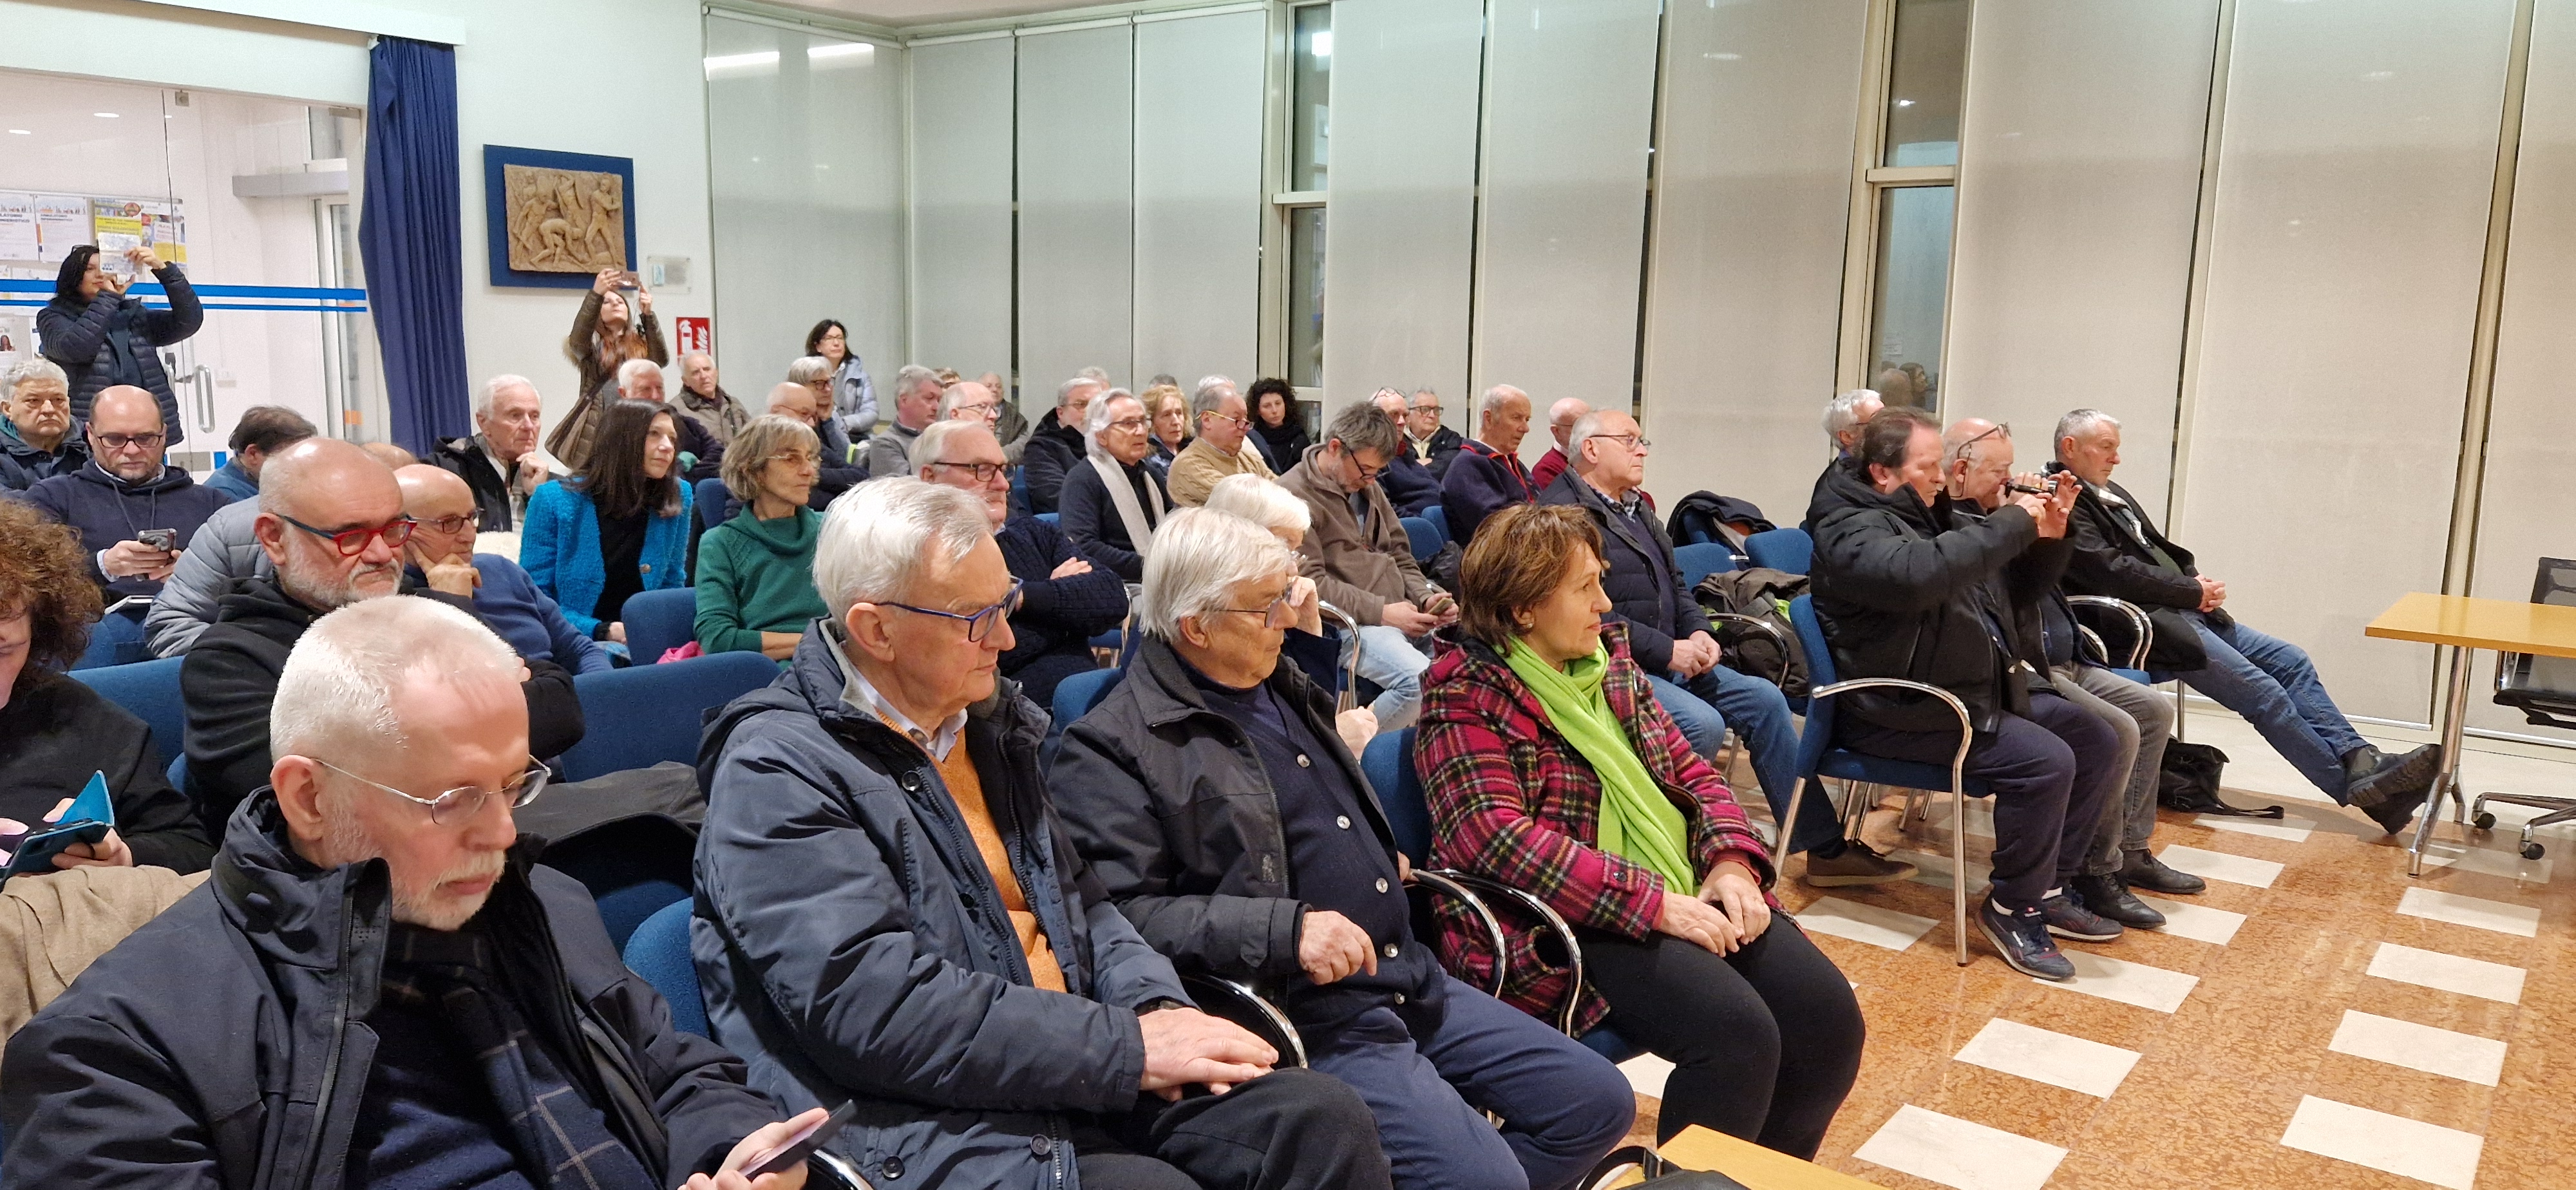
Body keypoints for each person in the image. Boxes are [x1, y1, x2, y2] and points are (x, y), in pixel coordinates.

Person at [694, 477, 1392, 1190]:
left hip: (1073, 1064)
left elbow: (1086, 908)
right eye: (976, 618)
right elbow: (875, 1009)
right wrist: (1130, 1047)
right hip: (930, 1116)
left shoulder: (984, 725)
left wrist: (1157, 1008)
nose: (1005, 638)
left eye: (1004, 605)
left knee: (1319, 1120)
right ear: (876, 630)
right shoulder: (776, 769)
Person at [6, 596, 820, 1189]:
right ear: (310, 798)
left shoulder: (537, 902)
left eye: (513, 784)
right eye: (454, 798)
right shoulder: (115, 1051)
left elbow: (677, 1072)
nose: (501, 833)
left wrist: (735, 1153)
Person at [1052, 507, 1635, 1190]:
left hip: (1406, 976)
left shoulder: (1278, 683)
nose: (1288, 618)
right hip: (1311, 1013)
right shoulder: (1110, 747)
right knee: (1487, 1179)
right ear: (1196, 626)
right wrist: (1286, 929)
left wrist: (1372, 854)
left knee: (1596, 1104)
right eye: (1266, 606)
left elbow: (1312, 813)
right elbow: (1122, 916)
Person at [1416, 504, 1864, 1157]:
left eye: (1601, 581)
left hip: (1665, 881)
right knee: (1736, 1037)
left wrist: (1730, 861)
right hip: (1557, 920)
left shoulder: (1605, 664)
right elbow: (1493, 838)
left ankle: (1756, 1176)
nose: (1604, 603)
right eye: (1585, 588)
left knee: (1828, 1022)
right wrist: (1652, 903)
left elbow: (1691, 774)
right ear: (1523, 610)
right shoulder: (1463, 695)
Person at [1807, 406, 2122, 980]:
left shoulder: (1921, 512)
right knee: (2045, 761)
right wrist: (2013, 522)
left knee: (2096, 739)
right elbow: (1918, 576)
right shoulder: (1847, 528)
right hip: (1898, 708)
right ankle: (2012, 908)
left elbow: (2015, 592)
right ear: (1883, 472)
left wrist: (2049, 537)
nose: (1940, 476)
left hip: (1960, 688)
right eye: (1928, 466)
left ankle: (2050, 886)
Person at [182, 438, 583, 847]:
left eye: (393, 529)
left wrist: (384, 740)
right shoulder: (227, 661)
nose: (381, 554)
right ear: (274, 538)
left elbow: (561, 707)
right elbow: (328, 796)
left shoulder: (428, 609)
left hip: (497, 837)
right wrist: (491, 707)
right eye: (350, 536)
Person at [2050, 410, 2441, 829]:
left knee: (2291, 660)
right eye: (2106, 447)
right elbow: (2110, 571)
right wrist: (2190, 591)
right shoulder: (2062, 499)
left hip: (2178, 610)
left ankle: (2363, 761)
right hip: (2141, 628)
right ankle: (2360, 790)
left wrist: (2196, 583)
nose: (2116, 458)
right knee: (2264, 694)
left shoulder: (2105, 491)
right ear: (2070, 447)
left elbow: (2154, 553)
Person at [1538, 409, 1821, 872]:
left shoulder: (1637, 507)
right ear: (1591, 449)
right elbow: (1585, 613)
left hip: (1668, 656)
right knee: (1702, 725)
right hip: (1607, 663)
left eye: (1641, 441)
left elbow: (1676, 584)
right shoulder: (1563, 515)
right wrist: (1668, 650)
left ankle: (1819, 845)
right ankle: (1674, 849)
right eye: (1630, 441)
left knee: (1765, 699)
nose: (1642, 451)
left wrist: (1699, 631)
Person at [1940, 421, 2193, 930]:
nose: (2011, 478)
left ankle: (2129, 850)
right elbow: (1995, 605)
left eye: (2010, 468)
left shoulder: (1995, 517)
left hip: (2063, 654)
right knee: (2113, 731)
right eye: (2000, 470)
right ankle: (2091, 872)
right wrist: (2015, 523)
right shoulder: (1957, 525)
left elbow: (2033, 587)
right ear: (1959, 470)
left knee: (2151, 709)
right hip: (2021, 670)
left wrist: (2052, 532)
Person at [0, 499, 212, 873]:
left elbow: (189, 848)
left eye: (4, 650)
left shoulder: (82, 721)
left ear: (37, 633)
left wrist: (123, 856)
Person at [914, 417, 1128, 706]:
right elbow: (988, 654)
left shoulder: (1032, 532)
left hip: (1092, 708)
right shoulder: (925, 557)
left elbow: (1113, 598)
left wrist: (1021, 595)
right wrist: (1067, 616)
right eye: (982, 470)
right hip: (1010, 717)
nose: (1003, 484)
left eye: (1003, 470)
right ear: (930, 476)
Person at [1277, 401, 1448, 732]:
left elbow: (1400, 553)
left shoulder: (1365, 486)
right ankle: (1346, 750)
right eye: (1366, 470)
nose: (1371, 481)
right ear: (1335, 448)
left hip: (1397, 614)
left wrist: (1426, 596)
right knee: (1419, 682)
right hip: (1344, 626)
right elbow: (1310, 584)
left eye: (1377, 472)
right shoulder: (1292, 496)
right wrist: (1382, 612)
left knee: (1465, 669)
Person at [14, 386, 227, 601]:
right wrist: (101, 566)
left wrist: (202, 576)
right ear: (91, 436)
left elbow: (243, 579)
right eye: (115, 439)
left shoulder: (213, 504)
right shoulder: (52, 498)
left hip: (192, 617)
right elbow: (27, 578)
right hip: (92, 618)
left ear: (163, 435)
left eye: (146, 438)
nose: (132, 450)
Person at [394, 464, 611, 675]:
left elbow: (580, 649)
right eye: (449, 523)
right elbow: (462, 683)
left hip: (560, 690)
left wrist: (597, 689)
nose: (469, 536)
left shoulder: (501, 570)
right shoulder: (395, 602)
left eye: (472, 517)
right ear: (403, 530)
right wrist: (453, 604)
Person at [522, 399, 693, 647]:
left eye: (672, 438)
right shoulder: (553, 500)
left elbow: (672, 584)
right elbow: (536, 600)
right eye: (654, 434)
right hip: (576, 641)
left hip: (648, 642)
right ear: (621, 439)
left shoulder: (678, 494)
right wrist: (602, 630)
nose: (668, 447)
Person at [37, 243, 203, 442]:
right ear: (73, 276)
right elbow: (77, 349)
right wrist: (109, 297)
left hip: (144, 425)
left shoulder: (134, 315)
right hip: (89, 431)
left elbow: (188, 321)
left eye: (106, 267)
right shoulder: (53, 317)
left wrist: (163, 270)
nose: (101, 274)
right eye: (90, 269)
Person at [694, 415, 827, 662]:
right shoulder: (720, 543)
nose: (808, 470)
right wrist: (819, 643)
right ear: (753, 470)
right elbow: (717, 639)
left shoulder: (833, 529)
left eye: (810, 458)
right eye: (791, 459)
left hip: (844, 664)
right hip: (771, 670)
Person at [548, 268, 668, 471]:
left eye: (621, 302)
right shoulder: (593, 346)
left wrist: (648, 316)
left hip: (637, 422)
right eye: (607, 302)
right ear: (598, 313)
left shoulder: (641, 344)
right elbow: (577, 342)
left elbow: (660, 361)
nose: (615, 304)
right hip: (600, 424)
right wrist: (596, 294)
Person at [1059, 389, 1171, 582]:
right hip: (1116, 582)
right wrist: (1149, 566)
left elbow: (1173, 526)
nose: (1141, 431)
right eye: (1128, 424)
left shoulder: (1150, 475)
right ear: (1101, 436)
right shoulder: (1082, 480)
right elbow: (1084, 547)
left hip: (1160, 574)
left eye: (1142, 421)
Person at [434, 373, 554, 533]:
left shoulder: (553, 485)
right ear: (483, 423)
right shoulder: (442, 471)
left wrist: (539, 495)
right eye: (515, 416)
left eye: (534, 416)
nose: (528, 426)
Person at [1440, 384, 1536, 547]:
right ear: (1489, 419)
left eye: (1527, 420)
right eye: (1516, 418)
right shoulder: (1467, 466)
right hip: (1497, 557)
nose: (1525, 428)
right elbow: (1498, 528)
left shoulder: (1512, 462)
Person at [1164, 379, 1276, 506]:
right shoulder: (1188, 465)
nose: (1244, 427)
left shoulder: (1248, 458)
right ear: (1207, 420)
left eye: (1246, 420)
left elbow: (1283, 492)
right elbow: (1242, 502)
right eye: (1236, 419)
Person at [763, 381, 865, 502]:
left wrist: (815, 475)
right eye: (804, 414)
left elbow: (861, 476)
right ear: (776, 411)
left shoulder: (811, 443)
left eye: (814, 417)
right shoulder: (760, 447)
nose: (811, 423)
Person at [1, 359, 89, 491]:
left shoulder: (95, 442)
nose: (49, 409)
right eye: (34, 401)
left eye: (58, 400)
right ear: (8, 409)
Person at [201, 405, 317, 505]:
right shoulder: (223, 496)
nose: (302, 466)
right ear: (253, 454)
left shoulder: (262, 482)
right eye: (291, 458)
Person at [1023, 374, 1103, 515]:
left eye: (1096, 406)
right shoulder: (1041, 447)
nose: (1090, 412)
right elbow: (1055, 497)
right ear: (1060, 413)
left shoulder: (1108, 442)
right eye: (1081, 405)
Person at [1810, 388, 1882, 522]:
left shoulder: (1882, 467)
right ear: (1847, 436)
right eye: (1879, 421)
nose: (1891, 426)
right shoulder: (1839, 489)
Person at [1367, 388, 1443, 517]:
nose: (1402, 422)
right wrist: (1424, 525)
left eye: (1405, 416)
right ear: (1374, 419)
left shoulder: (1404, 454)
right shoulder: (1372, 459)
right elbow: (1385, 511)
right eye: (1394, 414)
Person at [861, 364, 942, 478]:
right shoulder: (885, 444)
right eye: (929, 398)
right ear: (904, 400)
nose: (936, 407)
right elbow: (906, 487)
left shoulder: (943, 438)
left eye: (939, 400)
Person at [784, 355, 862, 473]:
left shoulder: (831, 414)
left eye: (829, 382)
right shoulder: (791, 420)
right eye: (820, 384)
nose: (828, 389)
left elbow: (847, 457)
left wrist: (828, 421)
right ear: (799, 386)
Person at [804, 317, 876, 436]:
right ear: (818, 346)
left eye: (840, 338)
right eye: (829, 338)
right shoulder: (806, 376)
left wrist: (844, 424)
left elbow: (872, 413)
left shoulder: (861, 377)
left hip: (857, 435)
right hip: (819, 435)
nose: (836, 343)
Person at [675, 350, 752, 448]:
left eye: (707, 369)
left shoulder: (732, 404)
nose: (703, 376)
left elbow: (754, 438)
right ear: (686, 381)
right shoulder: (677, 410)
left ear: (716, 373)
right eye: (696, 372)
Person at [1245, 377, 1311, 474]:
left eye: (1278, 403)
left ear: (1285, 404)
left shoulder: (1299, 438)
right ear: (1258, 410)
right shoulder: (1253, 438)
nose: (1274, 410)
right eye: (1267, 406)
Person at [1526, 397, 1590, 494]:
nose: (1589, 431)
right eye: (1579, 425)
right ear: (1556, 431)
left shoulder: (1599, 459)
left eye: (1590, 424)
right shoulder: (1546, 470)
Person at [1402, 388, 1464, 478]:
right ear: (1408, 414)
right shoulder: (1396, 441)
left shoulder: (1452, 440)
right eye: (1425, 410)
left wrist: (1411, 468)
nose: (1432, 415)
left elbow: (1445, 470)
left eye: (1436, 410)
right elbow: (1392, 471)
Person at [982, 370, 1033, 462]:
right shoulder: (970, 412)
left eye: (999, 387)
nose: (995, 390)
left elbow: (1024, 442)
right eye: (989, 386)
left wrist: (1001, 455)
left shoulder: (1013, 414)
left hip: (1007, 464)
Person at [1141, 382, 1189, 480]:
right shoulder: (1149, 461)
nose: (1176, 422)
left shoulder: (1192, 447)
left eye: (1179, 413)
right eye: (1167, 415)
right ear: (1151, 421)